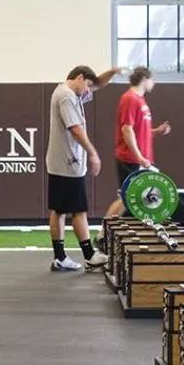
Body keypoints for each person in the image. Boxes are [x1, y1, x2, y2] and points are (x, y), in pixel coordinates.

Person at [44, 63, 121, 273]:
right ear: (79, 77)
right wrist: (92, 152)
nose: (89, 90)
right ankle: (89, 255)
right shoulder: (67, 97)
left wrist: (113, 72)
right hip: (69, 162)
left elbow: (97, 85)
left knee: (59, 209)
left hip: (60, 162)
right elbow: (75, 129)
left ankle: (60, 257)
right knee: (78, 210)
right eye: (86, 85)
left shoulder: (69, 92)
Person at [104, 65, 172, 219]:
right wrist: (139, 157)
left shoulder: (140, 101)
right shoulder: (130, 98)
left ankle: (115, 232)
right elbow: (126, 130)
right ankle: (104, 232)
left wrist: (157, 131)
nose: (153, 83)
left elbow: (139, 132)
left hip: (140, 160)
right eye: (151, 79)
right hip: (130, 158)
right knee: (127, 197)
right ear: (144, 79)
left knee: (135, 198)